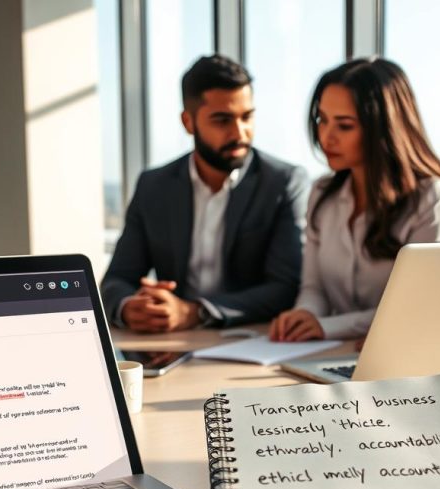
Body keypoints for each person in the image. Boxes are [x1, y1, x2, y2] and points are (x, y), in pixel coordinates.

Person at [101, 55, 309, 332]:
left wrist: (194, 312)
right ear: (188, 122)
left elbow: (285, 288)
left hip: (250, 342)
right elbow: (116, 279)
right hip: (169, 344)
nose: (240, 133)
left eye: (247, 117)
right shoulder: (153, 186)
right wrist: (130, 308)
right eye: (222, 120)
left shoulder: (284, 182)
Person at [270, 58, 440, 342]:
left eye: (344, 126)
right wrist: (305, 314)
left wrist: (328, 327)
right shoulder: (322, 193)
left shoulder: (432, 197)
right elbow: (314, 287)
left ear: (384, 128)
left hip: (395, 358)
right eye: (322, 120)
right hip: (325, 353)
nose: (326, 137)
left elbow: (413, 306)